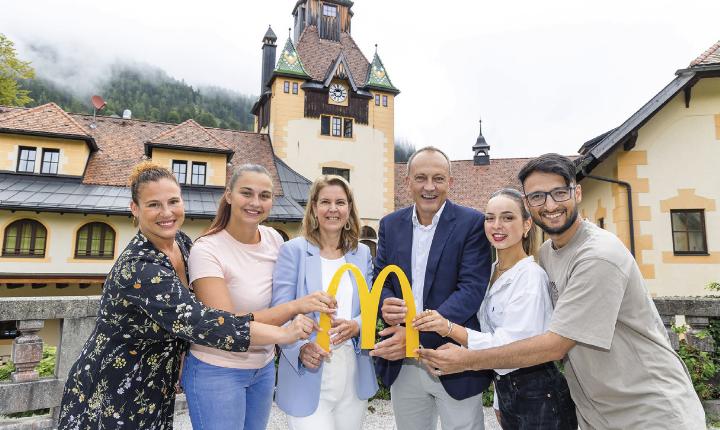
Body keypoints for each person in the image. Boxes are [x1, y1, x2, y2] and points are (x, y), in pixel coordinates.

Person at [417, 153, 706, 429]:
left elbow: (554, 345)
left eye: (559, 192)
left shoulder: (598, 256)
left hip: (649, 410)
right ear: (529, 205)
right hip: (597, 411)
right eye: (537, 196)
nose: (550, 204)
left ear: (577, 193)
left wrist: (464, 358)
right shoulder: (548, 253)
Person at [57, 162, 314, 430]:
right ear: (135, 209)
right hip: (113, 386)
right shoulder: (139, 267)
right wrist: (284, 334)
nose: (166, 212)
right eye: (154, 204)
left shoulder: (181, 243)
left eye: (173, 201)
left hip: (155, 381)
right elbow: (203, 323)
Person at [181, 164, 337, 430]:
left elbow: (284, 295)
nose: (255, 202)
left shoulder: (274, 239)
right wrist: (294, 311)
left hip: (262, 369)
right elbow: (226, 326)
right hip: (216, 370)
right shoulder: (206, 250)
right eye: (247, 193)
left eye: (264, 196)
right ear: (228, 195)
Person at [412, 188, 577, 430]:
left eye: (508, 217)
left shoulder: (530, 276)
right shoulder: (489, 272)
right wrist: (501, 400)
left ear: (527, 224)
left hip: (540, 396)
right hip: (509, 391)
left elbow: (510, 346)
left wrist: (448, 328)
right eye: (490, 218)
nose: (497, 225)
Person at [370, 146, 493, 430]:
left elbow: (471, 290)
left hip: (453, 359)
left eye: (438, 178)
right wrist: (385, 302)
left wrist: (413, 335)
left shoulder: (472, 223)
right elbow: (381, 280)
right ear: (407, 181)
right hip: (404, 364)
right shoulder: (390, 224)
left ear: (450, 182)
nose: (429, 187)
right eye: (421, 178)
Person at [272, 175, 378, 430]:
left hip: (353, 372)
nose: (333, 209)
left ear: (349, 208)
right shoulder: (293, 251)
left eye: (340, 202)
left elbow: (370, 308)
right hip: (307, 371)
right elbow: (280, 313)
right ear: (314, 208)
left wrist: (357, 325)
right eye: (325, 202)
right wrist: (300, 349)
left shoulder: (361, 253)